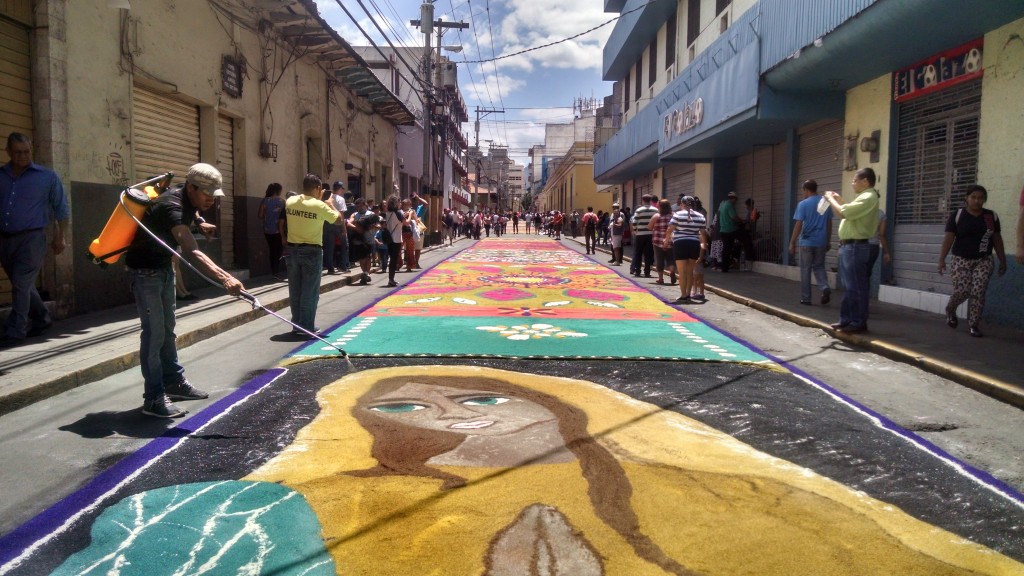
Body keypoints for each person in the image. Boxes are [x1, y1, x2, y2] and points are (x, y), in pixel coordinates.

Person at [123, 163, 244, 418]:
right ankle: (154, 398)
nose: (211, 199)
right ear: (191, 187)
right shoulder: (171, 205)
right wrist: (226, 278)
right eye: (207, 194)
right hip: (146, 273)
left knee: (167, 331)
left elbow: (190, 212)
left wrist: (200, 221)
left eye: (214, 195)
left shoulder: (186, 197)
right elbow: (192, 250)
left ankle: (174, 383)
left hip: (163, 269)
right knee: (154, 335)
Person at [0, 133, 69, 348]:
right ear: (8, 152)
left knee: (21, 282)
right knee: (23, 284)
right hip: (4, 238)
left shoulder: (47, 177)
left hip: (33, 237)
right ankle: (42, 317)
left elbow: (61, 209)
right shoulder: (1, 175)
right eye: (18, 152)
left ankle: (15, 330)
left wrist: (61, 237)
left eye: (27, 152)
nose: (23, 156)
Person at [937, 184, 1007, 337]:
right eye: (973, 197)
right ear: (967, 199)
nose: (977, 201)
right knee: (963, 290)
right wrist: (941, 259)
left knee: (978, 291)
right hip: (961, 259)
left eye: (980, 198)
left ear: (984, 200)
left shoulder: (991, 217)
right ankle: (951, 309)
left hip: (983, 260)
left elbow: (997, 239)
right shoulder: (958, 215)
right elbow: (949, 238)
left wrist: (1003, 260)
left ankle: (974, 324)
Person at [280, 173, 340, 339]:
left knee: (295, 290)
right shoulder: (320, 206)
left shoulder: (290, 201)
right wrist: (330, 203)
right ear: (318, 188)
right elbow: (339, 220)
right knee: (310, 291)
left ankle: (296, 324)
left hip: (292, 251)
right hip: (311, 252)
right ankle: (307, 326)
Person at [823, 167, 880, 334]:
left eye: (855, 180)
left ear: (865, 181)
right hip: (849, 246)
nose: (852, 183)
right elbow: (847, 209)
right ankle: (846, 319)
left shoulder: (869, 197)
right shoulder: (863, 197)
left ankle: (858, 321)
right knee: (850, 286)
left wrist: (830, 199)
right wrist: (839, 199)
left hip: (856, 246)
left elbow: (844, 212)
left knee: (856, 286)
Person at [788, 180, 833, 306]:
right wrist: (828, 240)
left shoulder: (803, 204)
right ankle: (824, 287)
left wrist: (792, 242)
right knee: (819, 266)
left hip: (807, 242)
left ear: (806, 190)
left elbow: (798, 224)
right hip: (821, 241)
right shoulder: (825, 202)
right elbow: (829, 223)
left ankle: (806, 298)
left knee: (805, 270)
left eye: (803, 191)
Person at [668, 196, 708, 304]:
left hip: (680, 243)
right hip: (694, 244)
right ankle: (688, 294)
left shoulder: (677, 214)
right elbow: (703, 233)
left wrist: (666, 240)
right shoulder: (700, 216)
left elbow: (670, 229)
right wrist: (703, 245)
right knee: (690, 272)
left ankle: (683, 295)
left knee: (682, 272)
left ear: (682, 204)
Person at [257, 182, 285, 280]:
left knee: (272, 250)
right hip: (278, 230)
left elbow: (260, 215)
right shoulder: (282, 202)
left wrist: (267, 215)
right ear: (278, 191)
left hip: (267, 230)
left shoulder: (265, 201)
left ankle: (274, 271)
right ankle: (276, 271)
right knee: (278, 251)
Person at [649, 199, 676, 285]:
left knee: (659, 259)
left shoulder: (656, 216)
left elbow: (649, 227)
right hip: (670, 240)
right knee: (670, 258)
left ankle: (660, 278)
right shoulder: (673, 216)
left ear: (660, 207)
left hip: (658, 240)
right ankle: (672, 271)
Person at [630, 194, 657, 278]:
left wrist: (635, 230)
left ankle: (637, 270)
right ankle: (647, 272)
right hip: (650, 234)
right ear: (650, 200)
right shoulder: (655, 210)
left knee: (638, 253)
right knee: (648, 253)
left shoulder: (639, 210)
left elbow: (634, 222)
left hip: (640, 235)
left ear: (642, 200)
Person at [717, 192, 743, 272]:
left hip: (723, 230)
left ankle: (724, 267)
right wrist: (742, 221)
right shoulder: (730, 205)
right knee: (741, 241)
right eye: (736, 200)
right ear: (733, 198)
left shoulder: (722, 204)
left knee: (726, 249)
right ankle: (736, 259)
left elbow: (718, 213)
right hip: (730, 229)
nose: (736, 202)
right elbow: (733, 217)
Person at [383, 194, 405, 287]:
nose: (400, 204)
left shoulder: (387, 213)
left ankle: (391, 279)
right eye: (399, 202)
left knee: (392, 259)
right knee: (393, 260)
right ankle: (391, 279)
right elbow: (406, 223)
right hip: (396, 239)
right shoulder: (399, 212)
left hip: (389, 239)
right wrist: (410, 215)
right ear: (396, 203)